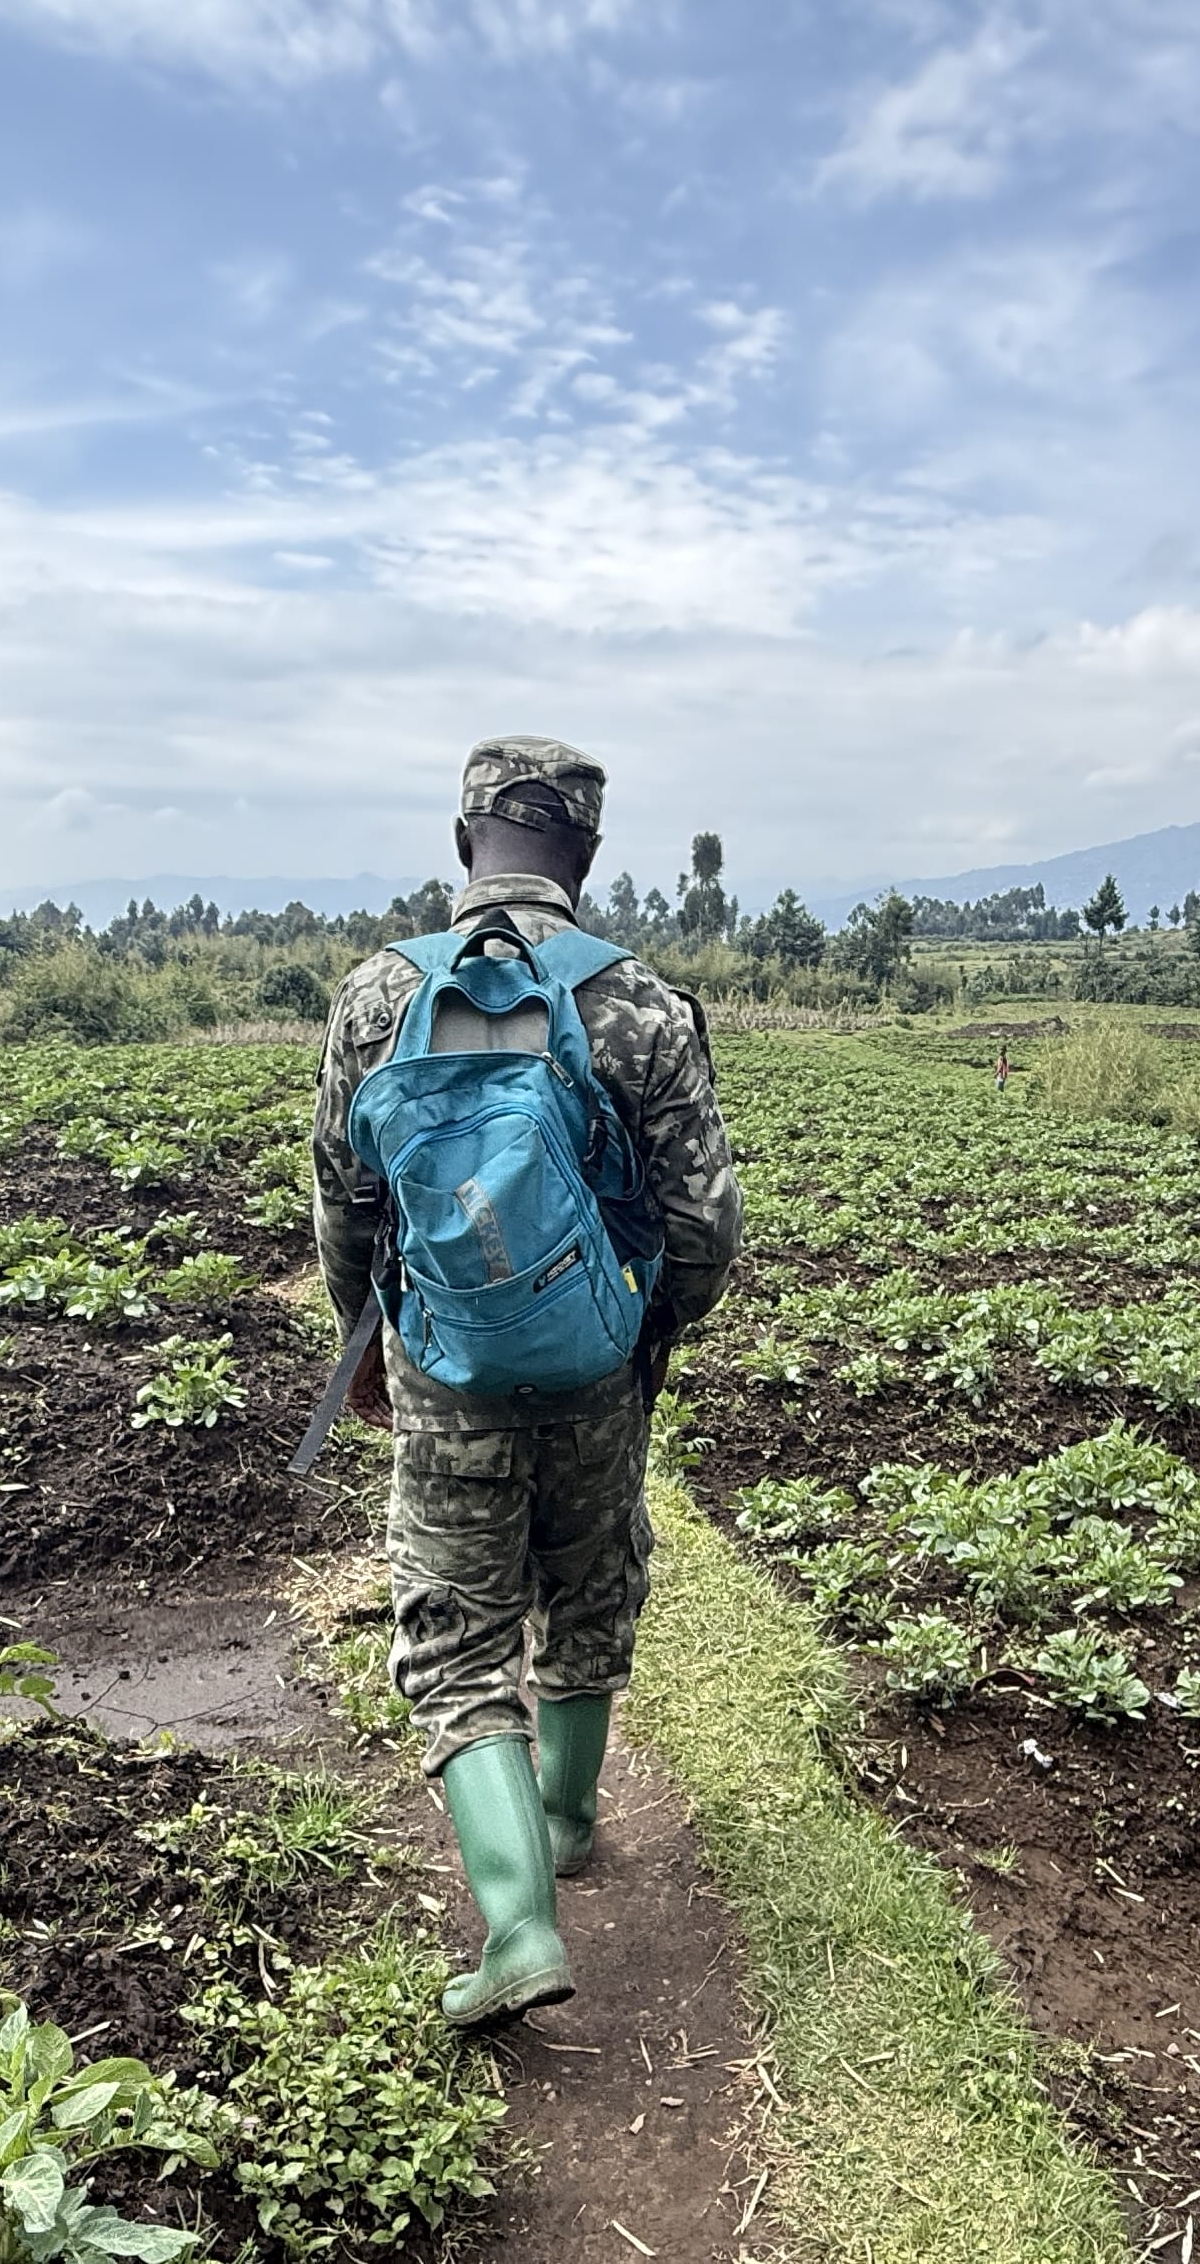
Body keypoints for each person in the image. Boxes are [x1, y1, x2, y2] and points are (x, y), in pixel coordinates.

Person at [311, 736, 745, 2026]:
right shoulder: (643, 1007)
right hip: (599, 1364)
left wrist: (368, 1339)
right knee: (592, 1577)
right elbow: (705, 1223)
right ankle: (566, 1816)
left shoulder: (376, 998)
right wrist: (638, 1332)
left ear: (463, 843)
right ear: (589, 855)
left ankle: (515, 1926)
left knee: (455, 1632)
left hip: (447, 1370)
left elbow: (348, 1199)